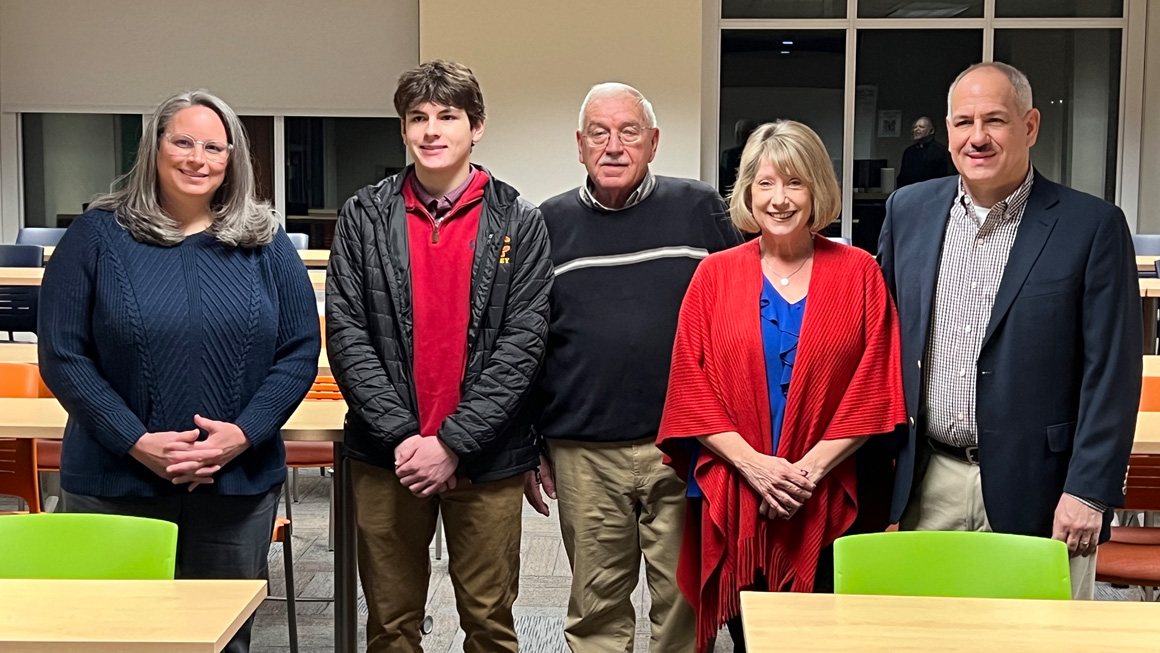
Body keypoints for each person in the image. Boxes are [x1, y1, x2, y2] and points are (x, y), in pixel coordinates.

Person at [39, 89, 320, 653]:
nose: (199, 158)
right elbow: (64, 356)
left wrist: (239, 437)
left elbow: (298, 352)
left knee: (221, 640)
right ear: (154, 147)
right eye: (183, 141)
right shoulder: (95, 236)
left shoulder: (265, 242)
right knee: (114, 640)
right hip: (115, 484)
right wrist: (136, 441)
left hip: (235, 486)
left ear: (233, 157)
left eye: (215, 146)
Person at [879, 62, 1141, 599]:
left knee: (1035, 638)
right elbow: (882, 340)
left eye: (994, 120)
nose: (977, 138)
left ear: (1030, 126)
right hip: (929, 481)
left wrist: (1088, 492)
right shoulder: (908, 211)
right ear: (947, 131)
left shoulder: (1091, 226)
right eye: (963, 122)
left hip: (1044, 491)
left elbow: (1112, 372)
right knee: (928, 634)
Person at [326, 60, 552, 652]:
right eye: (417, 118)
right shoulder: (364, 217)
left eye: (447, 116)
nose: (431, 130)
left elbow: (522, 345)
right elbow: (348, 333)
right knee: (391, 624)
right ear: (403, 130)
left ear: (475, 127)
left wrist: (452, 442)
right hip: (387, 455)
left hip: (488, 455)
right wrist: (404, 436)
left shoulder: (519, 221)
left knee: (489, 622)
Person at [657, 120, 906, 652]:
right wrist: (757, 468)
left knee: (827, 636)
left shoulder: (860, 272)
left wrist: (805, 473)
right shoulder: (713, 276)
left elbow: (876, 386)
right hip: (739, 489)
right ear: (748, 191)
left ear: (818, 189)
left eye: (795, 183)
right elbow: (688, 387)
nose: (780, 199)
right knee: (752, 637)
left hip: (830, 489)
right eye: (766, 183)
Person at [524, 82, 739, 652]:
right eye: (599, 132)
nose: (613, 146)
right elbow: (528, 341)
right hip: (583, 451)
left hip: (687, 444)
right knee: (596, 606)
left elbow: (742, 312)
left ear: (653, 143)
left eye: (629, 132)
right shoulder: (547, 223)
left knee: (686, 603)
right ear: (579, 144)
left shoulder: (701, 209)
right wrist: (531, 442)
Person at [896, 116, 954, 188]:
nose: (916, 130)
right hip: (911, 192)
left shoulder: (941, 151)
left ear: (931, 131)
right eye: (915, 127)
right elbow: (902, 178)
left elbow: (946, 177)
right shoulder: (909, 152)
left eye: (921, 127)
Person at [720, 118, 758, 194]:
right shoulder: (729, 154)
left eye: (744, 133)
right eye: (738, 133)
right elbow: (725, 179)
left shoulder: (759, 153)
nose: (741, 136)